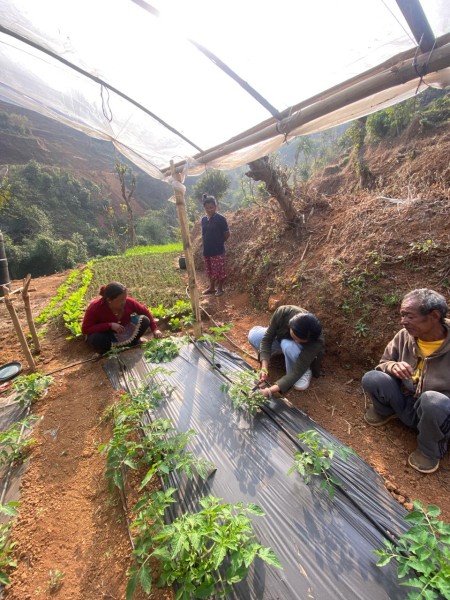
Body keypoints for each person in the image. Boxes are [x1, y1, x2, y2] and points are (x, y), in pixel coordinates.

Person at [362, 288, 450, 474]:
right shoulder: (404, 336)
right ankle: (386, 411)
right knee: (372, 378)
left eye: (409, 316)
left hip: (436, 413)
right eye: (402, 316)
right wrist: (392, 367)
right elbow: (383, 363)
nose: (403, 321)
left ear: (434, 315)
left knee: (433, 401)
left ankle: (429, 450)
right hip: (406, 399)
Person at [248, 305, 324, 398]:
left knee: (288, 345)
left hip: (295, 350)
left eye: (300, 341)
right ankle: (272, 355)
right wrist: (264, 367)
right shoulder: (283, 312)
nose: (296, 341)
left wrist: (269, 391)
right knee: (254, 335)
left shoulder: (316, 340)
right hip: (281, 337)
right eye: (295, 338)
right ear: (290, 326)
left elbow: (296, 372)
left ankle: (306, 370)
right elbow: (267, 339)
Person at [82, 282, 162, 355]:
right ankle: (109, 350)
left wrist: (155, 329)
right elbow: (85, 329)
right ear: (109, 300)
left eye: (125, 298)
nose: (125, 301)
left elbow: (145, 312)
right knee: (95, 338)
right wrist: (110, 325)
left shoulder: (128, 302)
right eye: (121, 300)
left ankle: (132, 342)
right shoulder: (95, 307)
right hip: (108, 335)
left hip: (124, 331)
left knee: (144, 320)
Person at [201, 194, 230, 297]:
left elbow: (227, 234)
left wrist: (219, 242)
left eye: (211, 207)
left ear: (215, 207)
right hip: (207, 250)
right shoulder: (203, 219)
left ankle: (220, 288)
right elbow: (204, 234)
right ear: (204, 207)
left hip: (218, 250)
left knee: (219, 271)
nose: (209, 210)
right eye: (207, 208)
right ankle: (212, 287)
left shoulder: (221, 219)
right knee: (210, 270)